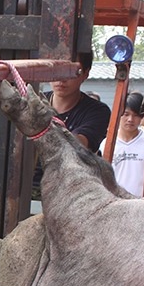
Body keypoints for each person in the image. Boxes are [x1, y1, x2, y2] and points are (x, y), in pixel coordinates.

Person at [35, 51, 111, 197]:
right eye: (56, 70)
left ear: (85, 74)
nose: (61, 79)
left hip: (70, 191)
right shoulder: (35, 102)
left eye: (70, 71)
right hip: (26, 184)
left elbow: (75, 145)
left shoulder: (97, 111)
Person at [99, 92, 144, 197]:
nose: (130, 120)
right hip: (116, 204)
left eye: (135, 115)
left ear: (142, 116)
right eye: (126, 114)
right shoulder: (107, 144)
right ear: (118, 114)